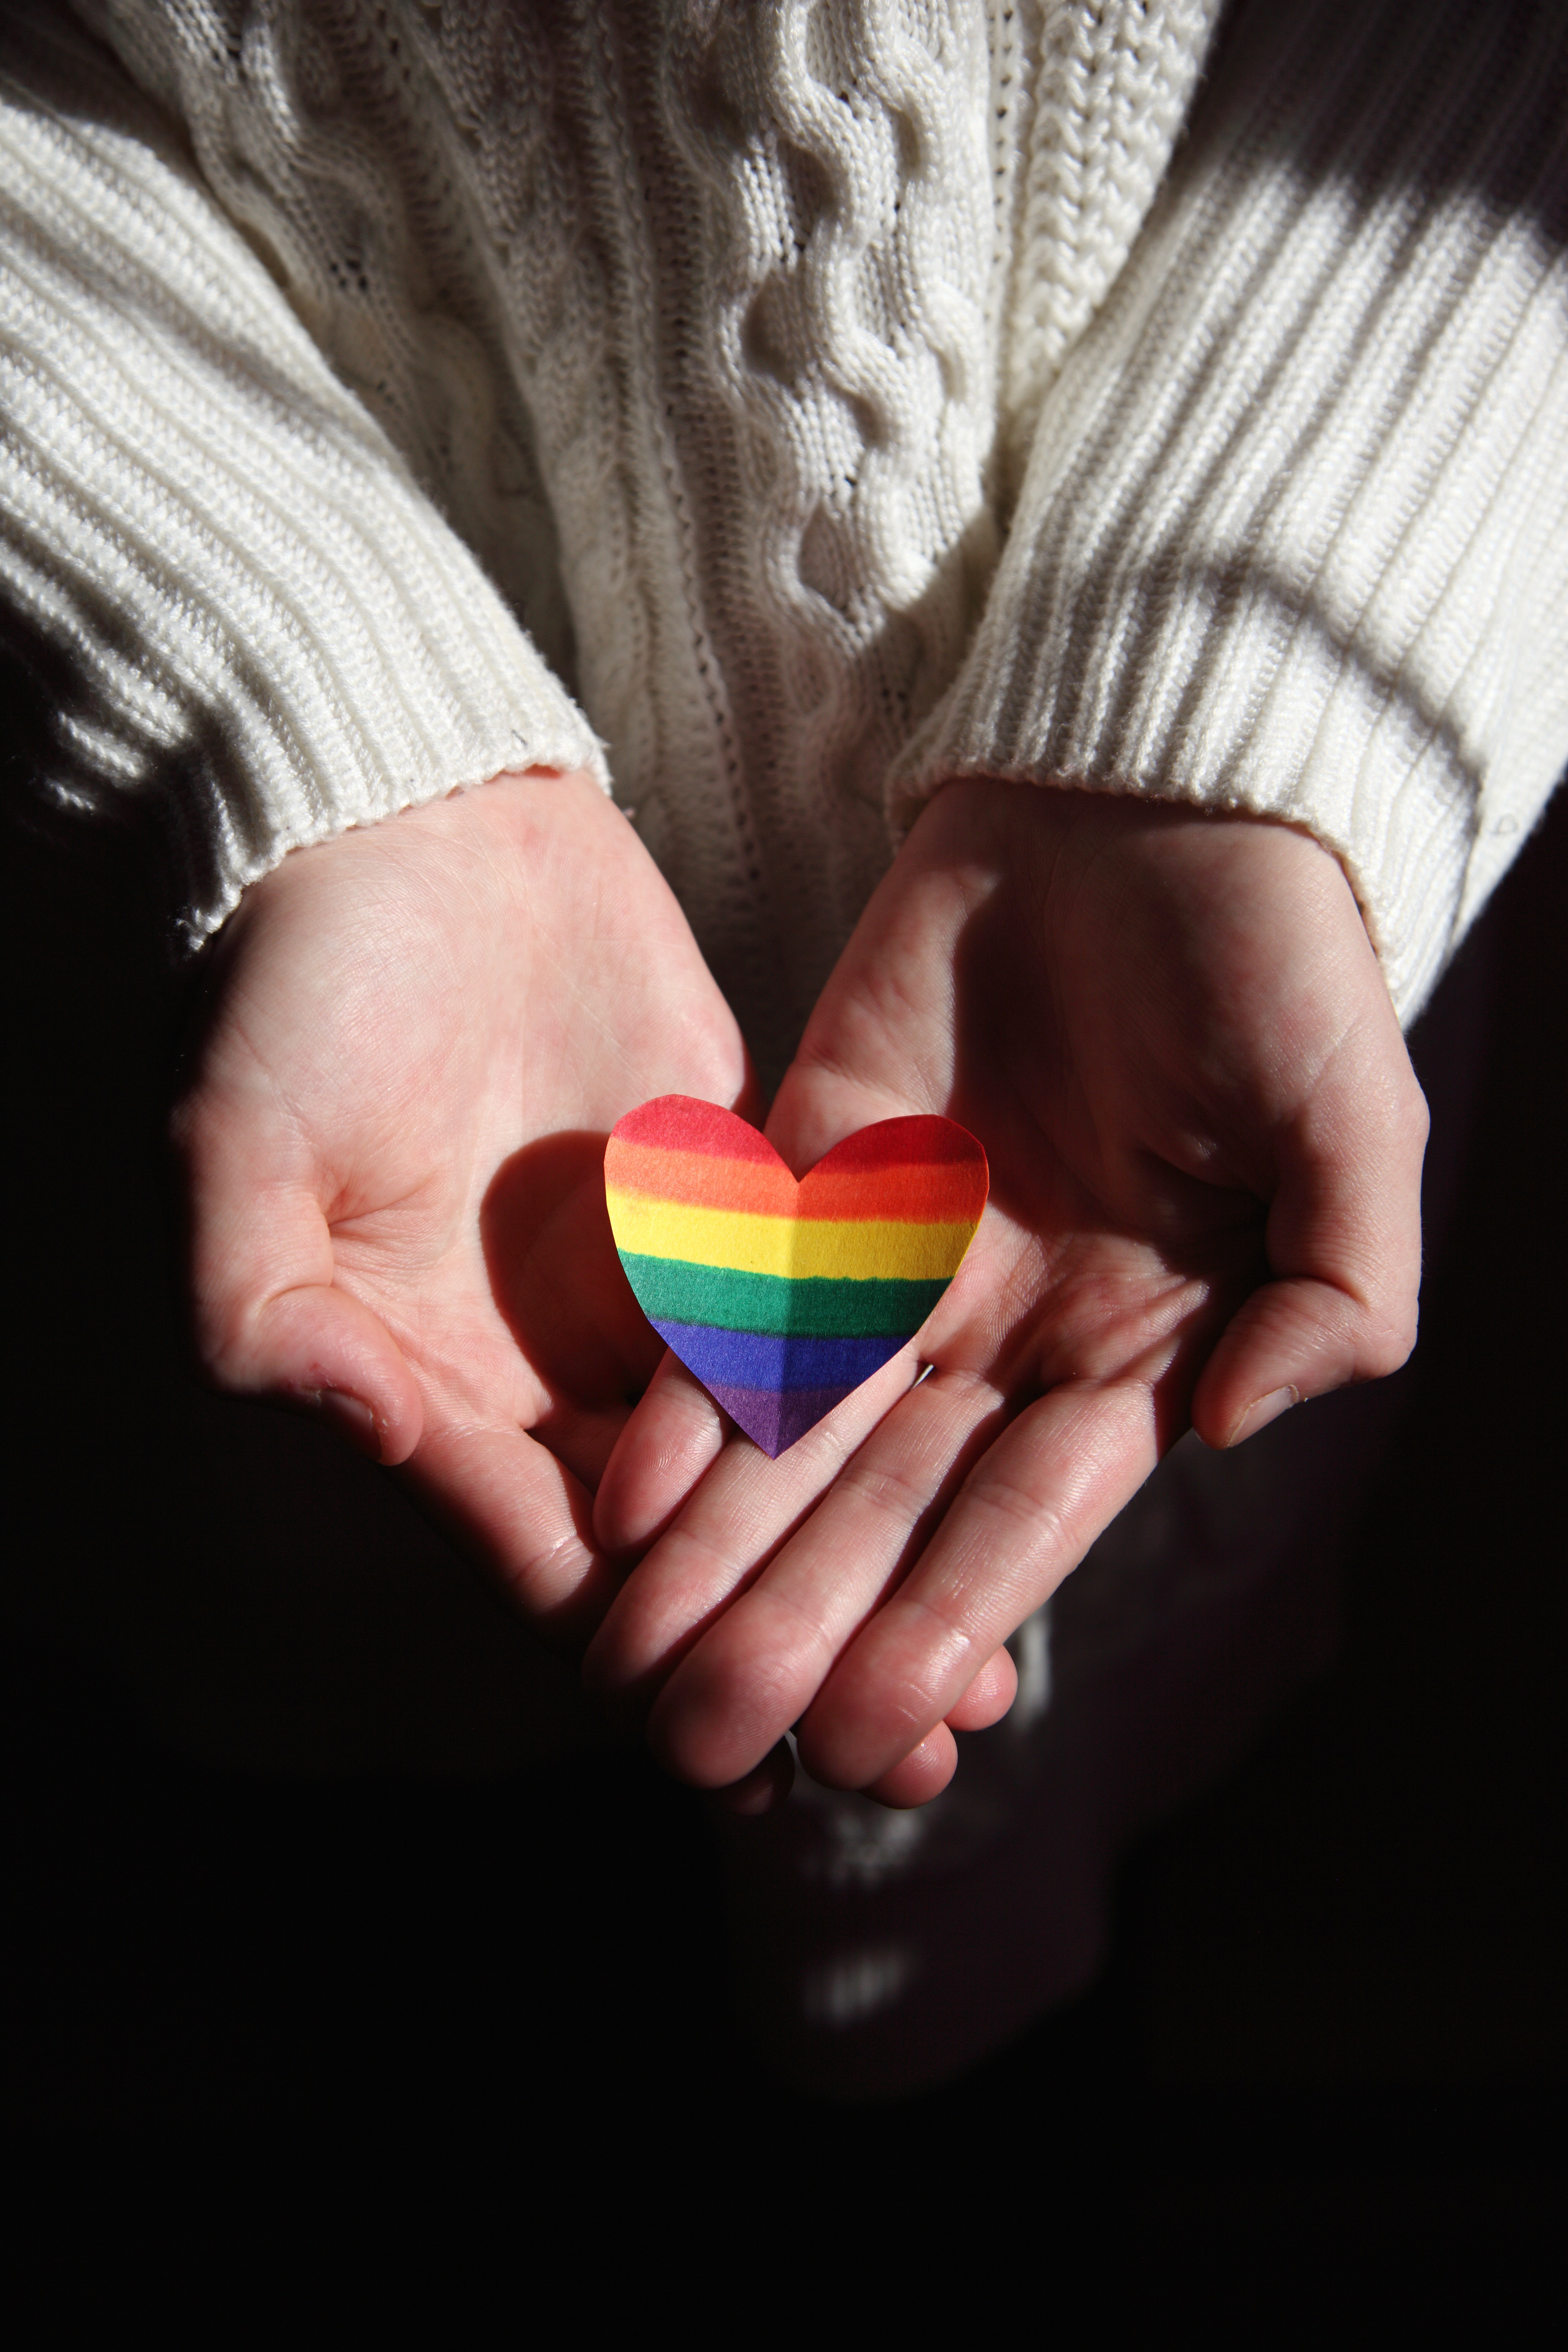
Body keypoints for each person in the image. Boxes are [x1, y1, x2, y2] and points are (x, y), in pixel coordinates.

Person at [2, 0, 1564, 2043]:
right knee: (353, 1916)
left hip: (1147, 1108)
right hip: (247, 1081)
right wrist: (289, 684)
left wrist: (1238, 695)